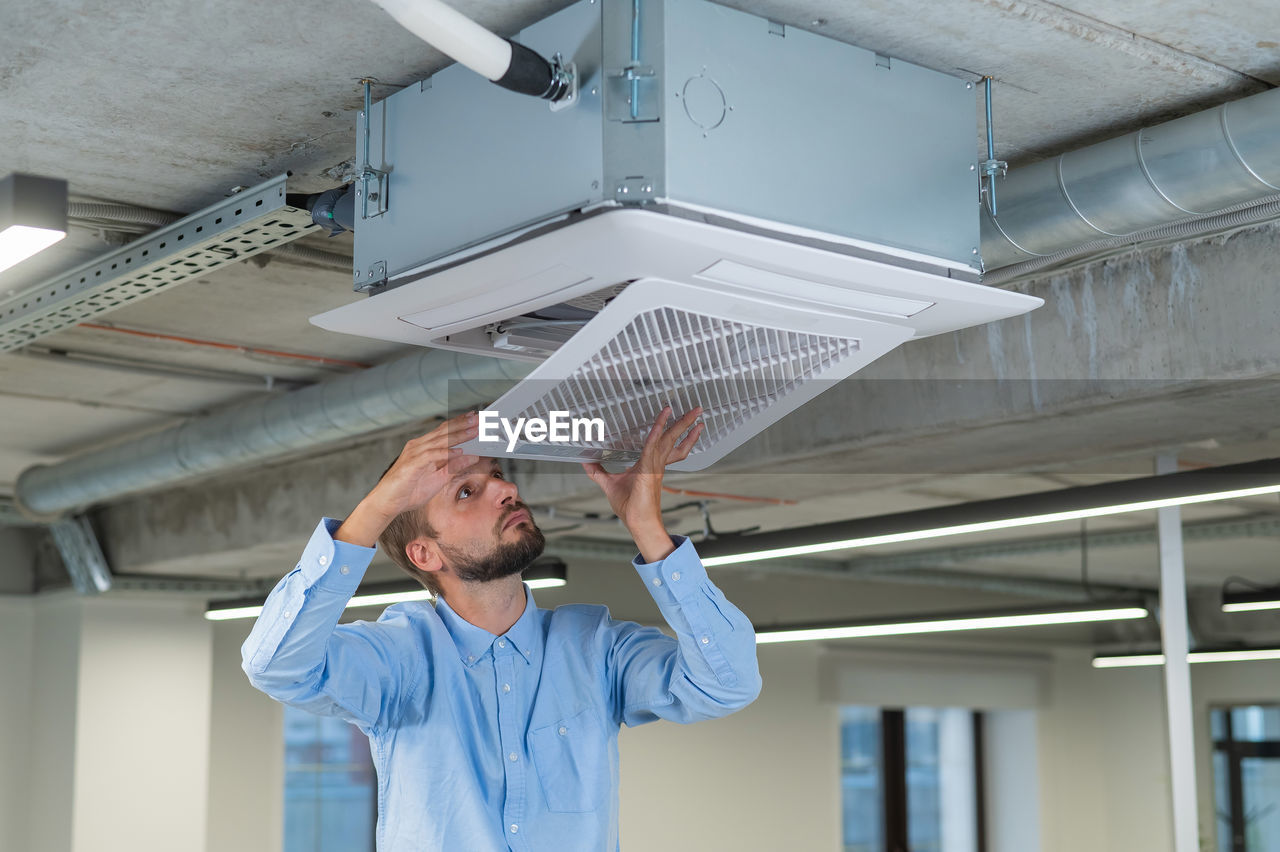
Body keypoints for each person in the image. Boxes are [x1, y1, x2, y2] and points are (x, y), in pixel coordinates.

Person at [241, 405, 762, 851]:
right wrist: (378, 506)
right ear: (425, 554)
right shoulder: (399, 658)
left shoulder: (595, 649)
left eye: (497, 474)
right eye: (467, 492)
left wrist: (648, 528)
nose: (507, 488)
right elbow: (277, 665)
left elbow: (727, 683)